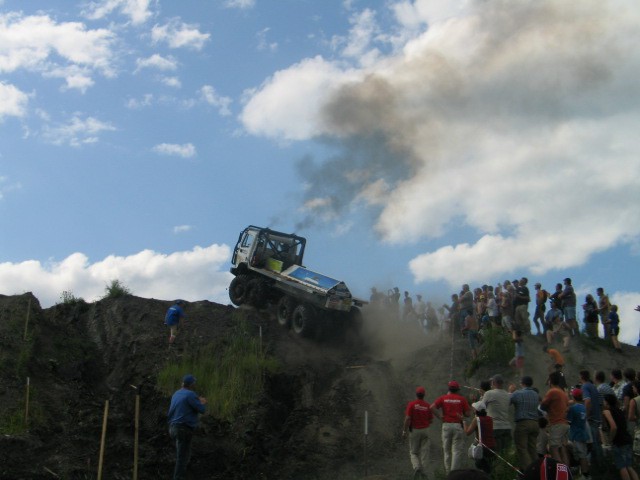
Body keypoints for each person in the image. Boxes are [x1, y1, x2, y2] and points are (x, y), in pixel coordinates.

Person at [167, 374, 207, 480]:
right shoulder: (190, 394)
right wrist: (202, 402)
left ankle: (185, 474)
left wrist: (196, 399)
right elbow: (202, 409)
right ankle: (178, 477)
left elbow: (184, 403)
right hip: (183, 429)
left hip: (173, 428)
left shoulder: (176, 393)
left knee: (184, 454)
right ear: (192, 384)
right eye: (194, 383)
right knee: (182, 457)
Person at [431, 380, 471, 474]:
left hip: (446, 425)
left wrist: (440, 416)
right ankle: (454, 474)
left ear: (449, 389)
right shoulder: (462, 399)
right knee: (456, 451)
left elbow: (432, 407)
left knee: (446, 451)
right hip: (457, 425)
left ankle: (448, 473)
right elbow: (468, 413)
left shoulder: (443, 398)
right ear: (457, 390)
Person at [602, 394, 639, 480]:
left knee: (622, 466)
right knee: (629, 466)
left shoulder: (607, 412)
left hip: (619, 442)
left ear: (607, 402)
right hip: (627, 439)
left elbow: (613, 427)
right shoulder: (620, 410)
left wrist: (611, 439)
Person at [510, 375, 541, 471]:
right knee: (532, 449)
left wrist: (512, 392)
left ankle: (530, 472)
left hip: (523, 424)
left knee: (522, 449)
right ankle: (539, 470)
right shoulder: (536, 394)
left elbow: (508, 401)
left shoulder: (518, 393)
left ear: (522, 383)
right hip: (535, 424)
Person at [403, 386, 434, 479]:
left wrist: (404, 431)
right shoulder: (427, 406)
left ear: (416, 395)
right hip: (425, 431)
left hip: (415, 431)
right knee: (425, 453)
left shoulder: (411, 404)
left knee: (413, 452)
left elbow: (408, 418)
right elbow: (431, 420)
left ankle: (417, 467)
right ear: (424, 395)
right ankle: (424, 472)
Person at [540, 371, 570, 466]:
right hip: (564, 424)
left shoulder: (552, 391)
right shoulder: (563, 392)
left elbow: (542, 406)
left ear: (550, 381)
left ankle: (559, 472)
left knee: (553, 448)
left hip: (556, 424)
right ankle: (566, 472)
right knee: (562, 449)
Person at [483, 374, 512, 454]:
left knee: (496, 454)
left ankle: (497, 467)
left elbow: (481, 407)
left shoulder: (489, 393)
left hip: (495, 428)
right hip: (507, 428)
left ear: (493, 383)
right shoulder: (508, 395)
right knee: (506, 454)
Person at [464, 400, 496, 474]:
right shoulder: (490, 419)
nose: (473, 410)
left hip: (483, 448)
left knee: (480, 466)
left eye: (474, 409)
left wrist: (464, 422)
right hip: (492, 447)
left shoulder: (477, 420)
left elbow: (467, 432)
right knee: (488, 467)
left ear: (476, 410)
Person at [579, 370, 603, 466]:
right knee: (597, 443)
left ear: (581, 377)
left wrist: (586, 415)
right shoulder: (593, 386)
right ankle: (601, 466)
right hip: (597, 417)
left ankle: (596, 467)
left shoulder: (585, 386)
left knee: (592, 444)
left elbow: (587, 401)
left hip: (591, 418)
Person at [567, 388, 591, 479]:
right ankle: (584, 473)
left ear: (573, 397)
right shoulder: (583, 407)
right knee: (582, 455)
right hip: (583, 434)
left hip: (576, 435)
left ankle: (585, 474)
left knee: (581, 456)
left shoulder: (573, 409)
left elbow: (568, 421)